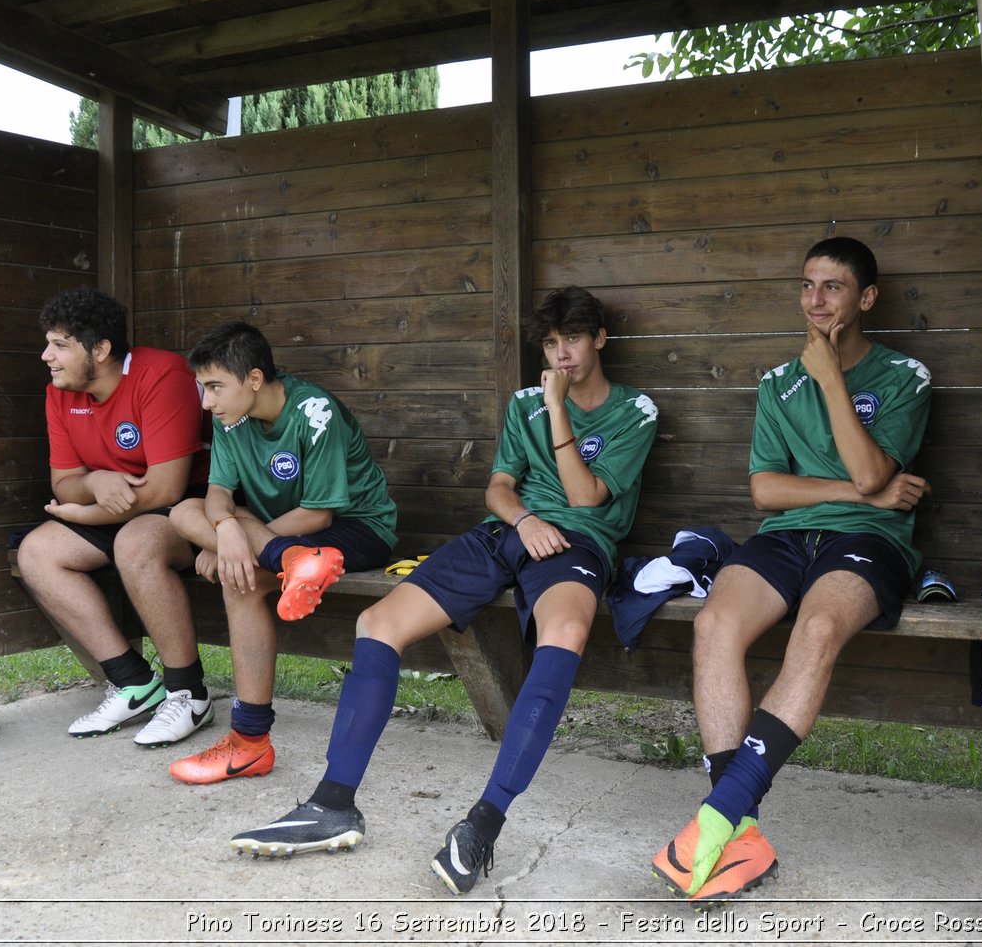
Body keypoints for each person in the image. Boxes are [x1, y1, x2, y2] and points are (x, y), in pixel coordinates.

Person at [229, 286, 659, 897]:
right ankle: (332, 803)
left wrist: (559, 409)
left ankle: (484, 822)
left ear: (600, 341)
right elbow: (499, 488)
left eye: (573, 341)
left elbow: (587, 496)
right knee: (377, 624)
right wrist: (523, 520)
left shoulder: (635, 410)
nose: (561, 355)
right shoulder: (523, 404)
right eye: (551, 343)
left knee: (564, 634)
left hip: (578, 545)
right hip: (508, 534)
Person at [651, 237, 932, 907]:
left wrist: (832, 377)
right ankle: (739, 826)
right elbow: (766, 491)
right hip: (787, 536)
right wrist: (854, 489)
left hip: (870, 540)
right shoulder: (779, 383)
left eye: (832, 287)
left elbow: (872, 472)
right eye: (807, 285)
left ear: (865, 298)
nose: (815, 300)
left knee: (820, 624)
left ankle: (718, 815)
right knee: (715, 620)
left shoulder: (903, 376)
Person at [163, 320, 399, 786]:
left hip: (358, 530)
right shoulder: (231, 417)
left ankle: (249, 743)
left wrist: (243, 543)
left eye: (214, 387)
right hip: (284, 541)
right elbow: (215, 497)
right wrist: (226, 532)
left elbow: (318, 516)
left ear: (254, 379)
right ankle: (289, 562)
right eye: (202, 388)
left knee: (239, 578)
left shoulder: (315, 411)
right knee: (182, 512)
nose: (206, 401)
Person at [17, 287, 213, 748]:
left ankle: (188, 694)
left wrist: (87, 509)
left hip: (191, 504)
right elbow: (65, 482)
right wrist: (95, 483)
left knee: (137, 544)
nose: (47, 355)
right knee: (38, 553)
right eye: (49, 343)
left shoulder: (161, 373)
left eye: (60, 344)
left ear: (100, 350)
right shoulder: (60, 393)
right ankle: (134, 683)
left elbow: (166, 488)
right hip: (116, 505)